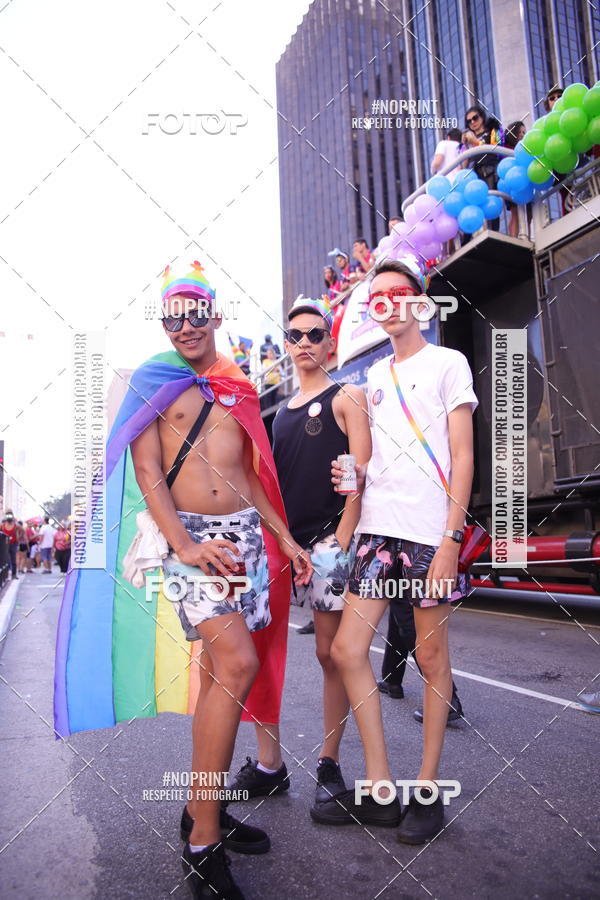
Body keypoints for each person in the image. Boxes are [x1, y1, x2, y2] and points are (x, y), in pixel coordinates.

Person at [128, 261, 312, 898]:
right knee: (235, 666)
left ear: (215, 315)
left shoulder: (236, 385)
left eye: (195, 312)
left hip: (246, 541)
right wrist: (185, 544)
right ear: (163, 323)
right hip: (193, 544)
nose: (185, 326)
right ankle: (203, 844)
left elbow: (250, 473)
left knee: (220, 675)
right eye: (173, 315)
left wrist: (284, 536)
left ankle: (201, 810)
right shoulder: (153, 383)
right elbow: (148, 468)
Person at [315, 257, 478, 845]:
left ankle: (427, 790)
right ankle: (381, 786)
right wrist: (352, 477)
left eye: (395, 293)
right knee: (348, 649)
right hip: (378, 534)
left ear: (418, 301)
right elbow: (373, 464)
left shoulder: (447, 363)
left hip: (429, 535)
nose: (384, 303)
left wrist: (451, 540)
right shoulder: (372, 381)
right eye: (375, 296)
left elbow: (462, 455)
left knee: (432, 662)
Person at [227, 295, 371, 813]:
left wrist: (342, 540)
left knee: (331, 655)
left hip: (328, 545)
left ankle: (329, 764)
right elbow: (260, 482)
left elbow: (360, 476)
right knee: (262, 653)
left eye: (314, 334)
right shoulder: (279, 414)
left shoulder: (346, 395)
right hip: (280, 548)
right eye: (295, 336)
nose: (305, 342)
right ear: (286, 345)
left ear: (330, 343)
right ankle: (270, 765)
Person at [463, 105, 502, 230]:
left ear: (482, 117)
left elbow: (497, 146)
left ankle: (493, 231)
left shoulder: (493, 131)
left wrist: (475, 141)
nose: (473, 122)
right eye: (469, 121)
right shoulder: (468, 139)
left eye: (475, 118)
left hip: (490, 169)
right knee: (476, 202)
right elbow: (465, 161)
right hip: (476, 173)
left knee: (491, 201)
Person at [504, 121, 527, 237]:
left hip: (525, 183)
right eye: (520, 132)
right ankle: (514, 237)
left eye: (524, 132)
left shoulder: (525, 148)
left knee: (529, 210)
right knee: (515, 212)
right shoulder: (506, 147)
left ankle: (526, 234)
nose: (523, 134)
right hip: (512, 182)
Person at [1, 511, 19, 579]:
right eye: (7, 515)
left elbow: (22, 531)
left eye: (10, 515)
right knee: (5, 560)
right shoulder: (2, 525)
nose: (9, 517)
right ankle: (5, 575)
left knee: (13, 560)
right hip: (5, 545)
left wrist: (18, 540)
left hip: (13, 544)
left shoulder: (16, 526)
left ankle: (13, 575)